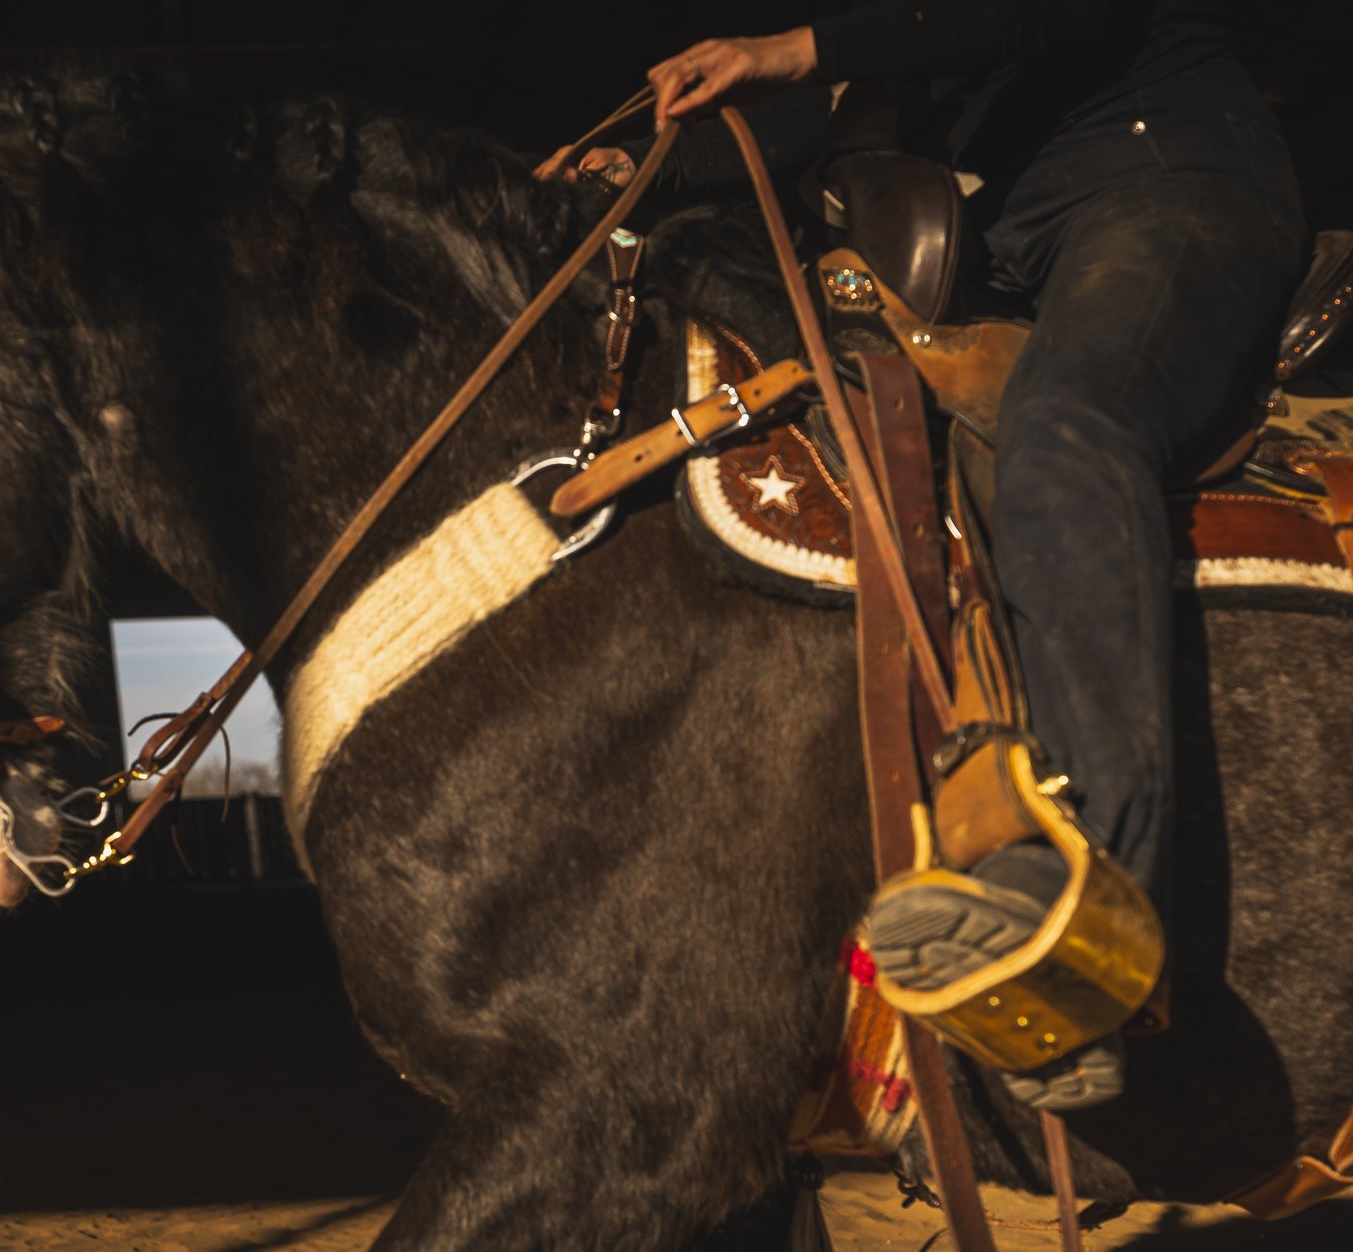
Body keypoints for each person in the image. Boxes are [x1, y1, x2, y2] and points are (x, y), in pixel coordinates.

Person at [551, 4, 1307, 1109]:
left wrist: (782, 49)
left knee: (1068, 432)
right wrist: (635, 166)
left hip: (1168, 184)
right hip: (1011, 248)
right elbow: (851, 112)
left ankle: (1090, 923)